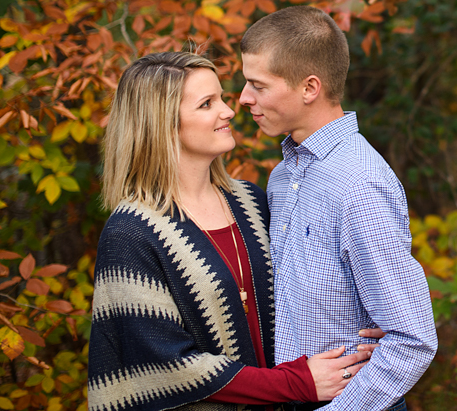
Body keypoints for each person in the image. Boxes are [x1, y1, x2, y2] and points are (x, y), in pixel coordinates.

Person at [87, 52, 382, 411]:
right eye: (207, 104)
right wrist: (296, 383)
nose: (228, 111)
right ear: (161, 124)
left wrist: (367, 320)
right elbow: (166, 364)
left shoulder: (251, 202)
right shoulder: (131, 233)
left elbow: (307, 285)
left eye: (222, 98)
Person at [238, 7, 437, 411]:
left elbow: (413, 339)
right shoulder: (282, 178)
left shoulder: (359, 184)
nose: (243, 98)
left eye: (258, 85)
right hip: (289, 392)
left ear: (309, 88)